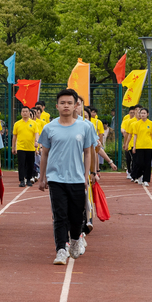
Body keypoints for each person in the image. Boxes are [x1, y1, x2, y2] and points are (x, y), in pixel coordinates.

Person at [37, 89, 98, 264]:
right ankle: (61, 250)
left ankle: (75, 240)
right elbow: (45, 154)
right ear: (57, 106)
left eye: (69, 103)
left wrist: (87, 176)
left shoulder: (85, 127)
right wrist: (42, 178)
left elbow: (88, 153)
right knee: (59, 215)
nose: (66, 106)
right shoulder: (49, 128)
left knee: (76, 216)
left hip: (77, 179)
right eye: (62, 103)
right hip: (56, 178)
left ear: (76, 106)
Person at [128, 107, 152, 186]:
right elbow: (135, 136)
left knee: (147, 163)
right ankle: (139, 175)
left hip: (148, 146)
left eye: (144, 113)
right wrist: (134, 146)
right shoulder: (137, 124)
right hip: (139, 146)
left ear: (147, 114)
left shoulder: (151, 124)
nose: (142, 114)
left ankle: (146, 180)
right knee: (139, 163)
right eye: (141, 113)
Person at [12, 107, 38, 187]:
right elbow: (14, 137)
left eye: (26, 111)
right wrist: (13, 147)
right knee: (21, 164)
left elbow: (36, 133)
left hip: (30, 147)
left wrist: (36, 141)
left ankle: (29, 179)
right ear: (21, 113)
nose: (25, 113)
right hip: (21, 147)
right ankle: (22, 180)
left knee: (30, 164)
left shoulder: (34, 123)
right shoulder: (17, 124)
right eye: (23, 111)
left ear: (29, 112)